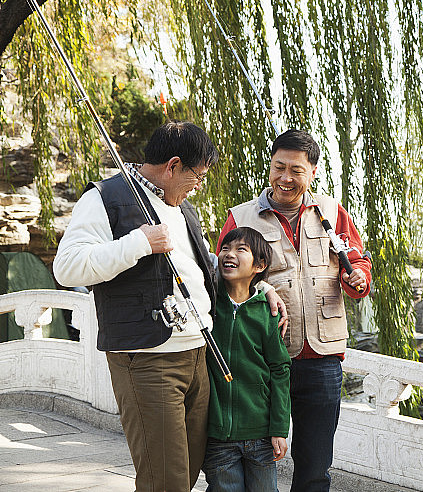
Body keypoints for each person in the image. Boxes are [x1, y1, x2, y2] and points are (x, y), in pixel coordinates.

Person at [52, 121, 285, 492]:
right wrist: (138, 242)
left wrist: (261, 287)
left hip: (198, 355)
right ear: (173, 166)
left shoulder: (181, 207)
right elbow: (67, 268)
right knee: (166, 480)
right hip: (147, 359)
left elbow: (203, 265)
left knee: (189, 470)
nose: (199, 184)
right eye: (198, 175)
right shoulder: (104, 198)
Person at [216, 129, 372, 492]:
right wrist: (262, 286)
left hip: (322, 358)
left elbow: (356, 263)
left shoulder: (332, 213)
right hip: (262, 360)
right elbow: (221, 279)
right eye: (278, 167)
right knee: (255, 460)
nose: (286, 178)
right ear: (269, 166)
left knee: (316, 468)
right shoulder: (240, 218)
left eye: (296, 170)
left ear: (312, 172)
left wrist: (358, 279)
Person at [203, 226, 291, 492]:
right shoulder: (207, 305)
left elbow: (280, 369)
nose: (229, 254)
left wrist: (279, 428)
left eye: (241, 249)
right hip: (218, 436)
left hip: (260, 434)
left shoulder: (266, 312)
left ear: (259, 265)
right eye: (226, 248)